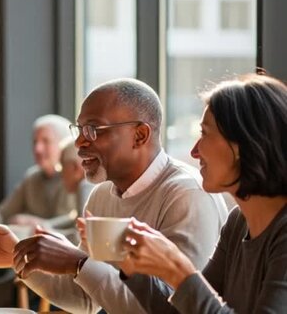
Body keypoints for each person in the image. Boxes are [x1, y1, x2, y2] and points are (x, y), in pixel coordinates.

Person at [0, 78, 229, 313]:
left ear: (139, 135)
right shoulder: (102, 197)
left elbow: (171, 309)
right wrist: (19, 256)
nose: (79, 143)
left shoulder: (187, 196)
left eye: (92, 130)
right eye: (78, 130)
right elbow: (85, 300)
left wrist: (79, 263)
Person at [120, 74, 287, 313]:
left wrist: (178, 270)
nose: (194, 151)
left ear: (244, 144)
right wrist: (135, 269)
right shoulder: (238, 222)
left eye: (205, 133)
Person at [0, 114, 82, 229]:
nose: (38, 149)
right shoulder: (31, 178)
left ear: (64, 144)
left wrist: (37, 223)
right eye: (35, 142)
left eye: (46, 141)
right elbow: (3, 213)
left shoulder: (78, 177)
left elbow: (77, 219)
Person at [46, 138, 94, 242]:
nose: (61, 175)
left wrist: (47, 233)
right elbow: (75, 219)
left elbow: (80, 237)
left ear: (75, 168)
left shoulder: (86, 186)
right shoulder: (85, 186)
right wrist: (46, 225)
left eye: (62, 167)